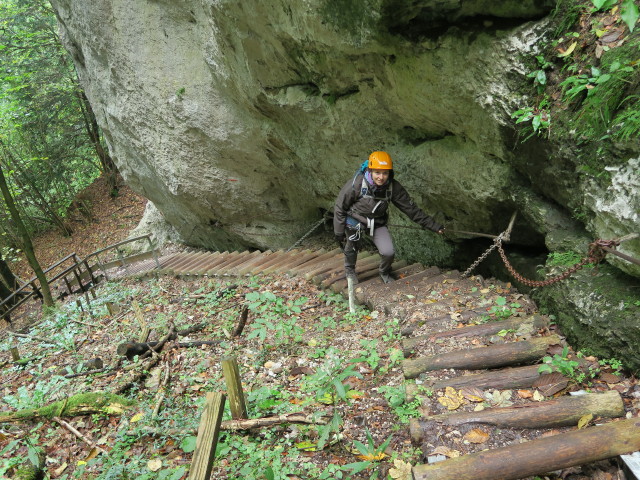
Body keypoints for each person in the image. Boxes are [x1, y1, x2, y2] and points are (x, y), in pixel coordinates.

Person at [333, 151, 445, 284]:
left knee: (388, 252)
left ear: (389, 173)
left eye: (385, 173)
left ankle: (384, 271)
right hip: (355, 220)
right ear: (370, 171)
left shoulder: (393, 187)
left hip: (377, 222)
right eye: (377, 173)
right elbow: (340, 207)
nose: (381, 177)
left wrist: (434, 226)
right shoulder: (356, 184)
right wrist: (339, 232)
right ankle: (350, 271)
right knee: (352, 245)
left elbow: (412, 210)